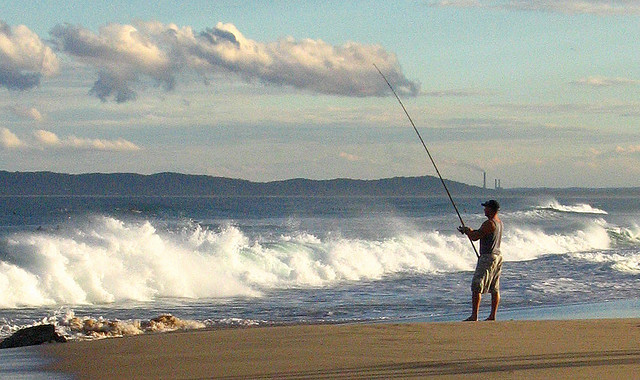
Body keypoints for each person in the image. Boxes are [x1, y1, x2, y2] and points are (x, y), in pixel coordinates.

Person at [457, 199, 503, 321]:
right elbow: (478, 234)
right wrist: (468, 231)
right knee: (494, 287)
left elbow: (475, 237)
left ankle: (474, 316)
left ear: (491, 209)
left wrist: (467, 231)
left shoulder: (489, 223)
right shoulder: (499, 222)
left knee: (476, 285)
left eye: (486, 207)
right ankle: (492, 316)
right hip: (497, 256)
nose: (484, 209)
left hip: (488, 257)